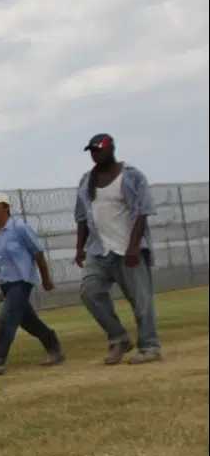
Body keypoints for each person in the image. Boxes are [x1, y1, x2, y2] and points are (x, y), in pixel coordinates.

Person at [73, 133, 162, 364]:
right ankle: (118, 338)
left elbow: (141, 212)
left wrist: (134, 247)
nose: (95, 154)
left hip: (128, 250)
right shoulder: (86, 181)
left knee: (141, 301)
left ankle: (150, 347)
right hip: (99, 251)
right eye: (92, 150)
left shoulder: (131, 176)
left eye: (99, 149)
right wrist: (79, 248)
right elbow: (82, 217)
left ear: (111, 149)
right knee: (89, 292)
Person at [0, 193, 64, 373]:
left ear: (6, 207)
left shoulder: (20, 228)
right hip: (5, 284)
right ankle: (53, 346)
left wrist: (46, 279)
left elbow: (38, 254)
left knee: (6, 318)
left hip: (21, 281)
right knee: (28, 320)